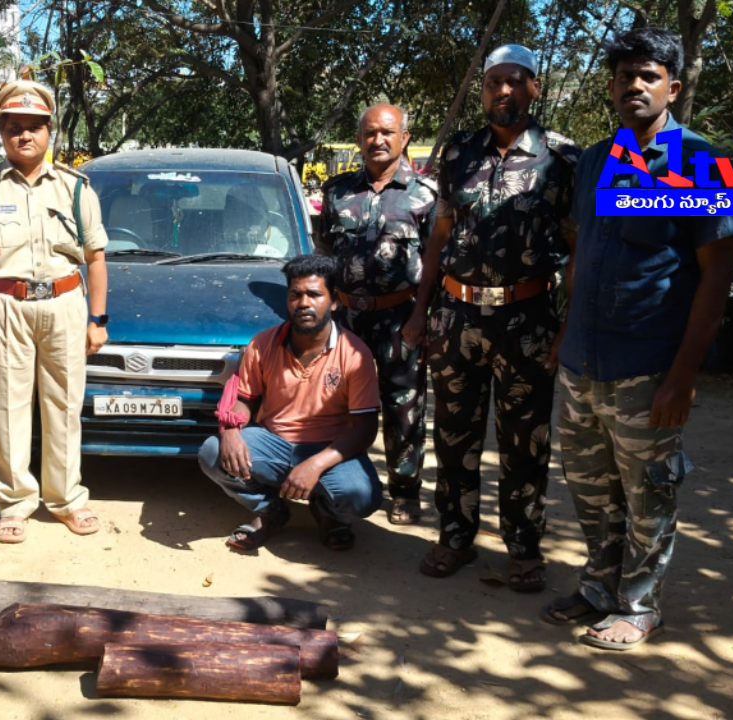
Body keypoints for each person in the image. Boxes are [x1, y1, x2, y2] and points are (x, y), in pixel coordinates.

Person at [542, 28, 733, 650]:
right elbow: (585, 254)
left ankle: (640, 603)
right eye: (624, 75)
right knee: (591, 488)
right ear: (611, 86)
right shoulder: (597, 159)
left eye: (648, 75)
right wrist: (564, 333)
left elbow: (718, 277)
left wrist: (682, 375)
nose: (634, 85)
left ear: (672, 87)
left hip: (647, 367)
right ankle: (599, 586)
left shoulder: (702, 161)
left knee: (649, 491)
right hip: (582, 361)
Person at [401, 45, 581, 591]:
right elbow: (439, 236)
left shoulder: (564, 158)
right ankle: (455, 536)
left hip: (527, 321)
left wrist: (567, 327)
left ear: (535, 87)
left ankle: (524, 549)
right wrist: (419, 314)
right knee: (453, 436)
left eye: (513, 81)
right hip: (456, 318)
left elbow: (577, 249)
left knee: (525, 442)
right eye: (492, 83)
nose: (501, 91)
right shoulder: (458, 153)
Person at [0, 79, 109, 543]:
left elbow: (96, 258)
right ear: (0, 132)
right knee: (7, 407)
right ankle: (15, 502)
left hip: (64, 304)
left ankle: (66, 499)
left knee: (64, 406)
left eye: (34, 127)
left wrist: (97, 319)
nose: (25, 136)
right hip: (3, 306)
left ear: (50, 131)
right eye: (14, 127)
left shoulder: (77, 189)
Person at [198, 255, 384, 552]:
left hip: (330, 448)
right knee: (212, 453)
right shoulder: (262, 343)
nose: (304, 303)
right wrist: (231, 432)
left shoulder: (355, 354)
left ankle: (327, 512)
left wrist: (314, 465)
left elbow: (364, 429)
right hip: (272, 442)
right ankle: (271, 512)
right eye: (295, 295)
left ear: (334, 302)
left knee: (362, 495)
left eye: (314, 294)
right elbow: (245, 399)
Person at [316, 103, 437, 526]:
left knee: (403, 407)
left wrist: (421, 320)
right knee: (341, 405)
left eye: (387, 132)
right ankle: (345, 482)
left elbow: (436, 264)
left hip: (400, 319)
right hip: (347, 322)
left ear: (404, 138)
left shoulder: (425, 196)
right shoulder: (336, 192)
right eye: (369, 133)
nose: (378, 140)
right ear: (359, 139)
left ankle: (405, 491)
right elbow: (325, 254)